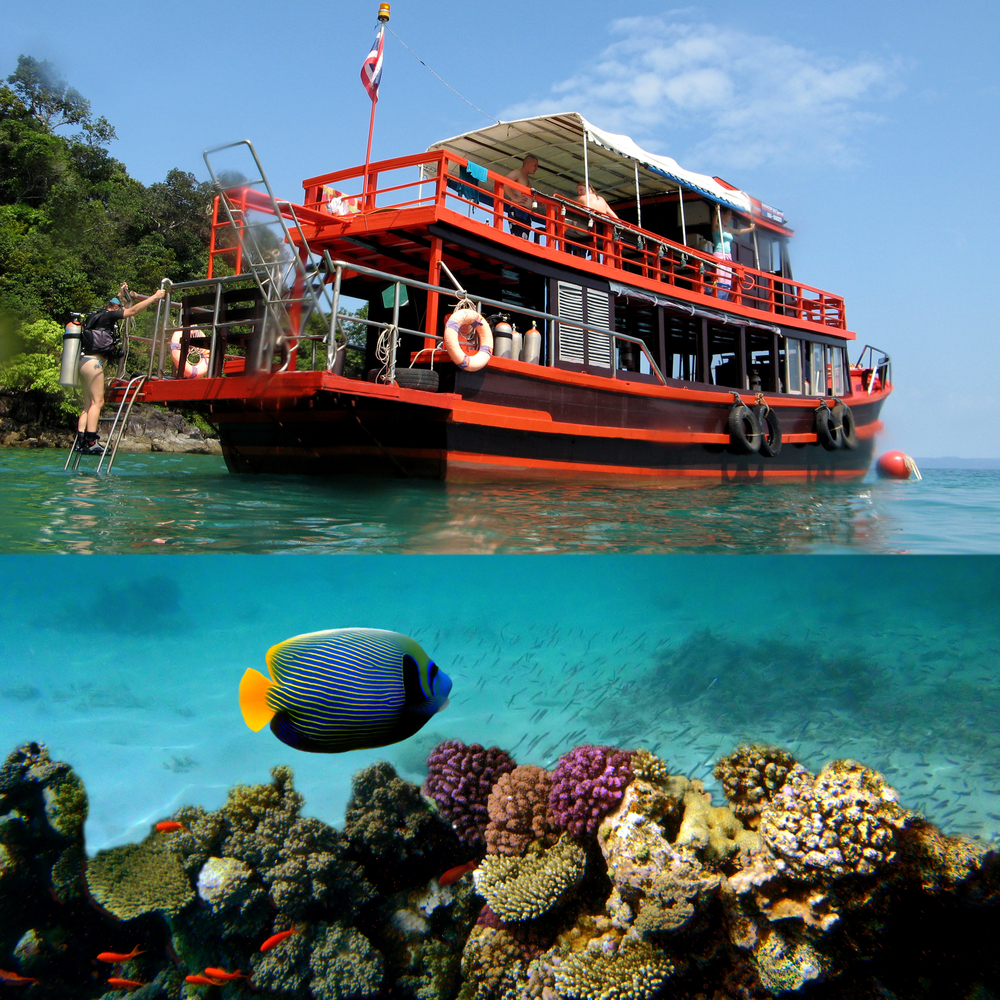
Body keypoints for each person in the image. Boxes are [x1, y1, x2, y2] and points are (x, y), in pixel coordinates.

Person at [76, 284, 166, 454]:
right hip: (94, 364)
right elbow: (132, 312)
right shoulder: (109, 316)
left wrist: (119, 294)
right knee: (98, 402)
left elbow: (119, 305)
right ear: (115, 308)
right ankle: (91, 442)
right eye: (119, 307)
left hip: (82, 362)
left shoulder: (94, 316)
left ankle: (80, 441)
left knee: (88, 404)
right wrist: (154, 297)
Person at [712, 209, 754, 301]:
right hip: (719, 254)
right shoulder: (718, 226)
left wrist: (750, 229)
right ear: (723, 214)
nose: (731, 217)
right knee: (720, 278)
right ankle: (717, 297)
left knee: (727, 279)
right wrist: (717, 212)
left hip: (728, 256)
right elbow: (714, 224)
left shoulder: (727, 228)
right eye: (729, 214)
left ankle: (724, 298)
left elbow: (738, 231)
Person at [504, 155, 539, 238]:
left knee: (524, 239)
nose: (536, 168)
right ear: (528, 163)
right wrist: (514, 197)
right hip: (518, 211)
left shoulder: (525, 178)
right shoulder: (518, 173)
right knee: (518, 238)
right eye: (535, 165)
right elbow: (505, 182)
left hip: (526, 213)